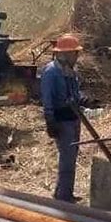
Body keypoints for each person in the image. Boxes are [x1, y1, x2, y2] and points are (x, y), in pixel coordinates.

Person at [40, 34, 92, 203]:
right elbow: (47, 99)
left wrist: (86, 100)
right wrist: (50, 120)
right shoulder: (51, 72)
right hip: (61, 120)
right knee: (67, 158)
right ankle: (63, 196)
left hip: (73, 118)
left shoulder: (71, 72)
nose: (77, 57)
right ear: (65, 54)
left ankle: (64, 192)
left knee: (72, 156)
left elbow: (75, 94)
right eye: (74, 53)